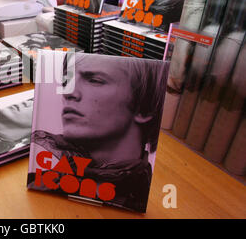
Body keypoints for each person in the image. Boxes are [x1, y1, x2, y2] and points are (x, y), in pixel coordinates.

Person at [28, 52, 169, 212]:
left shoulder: (148, 199)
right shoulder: (40, 183)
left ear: (144, 108)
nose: (68, 92)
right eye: (67, 81)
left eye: (94, 80)